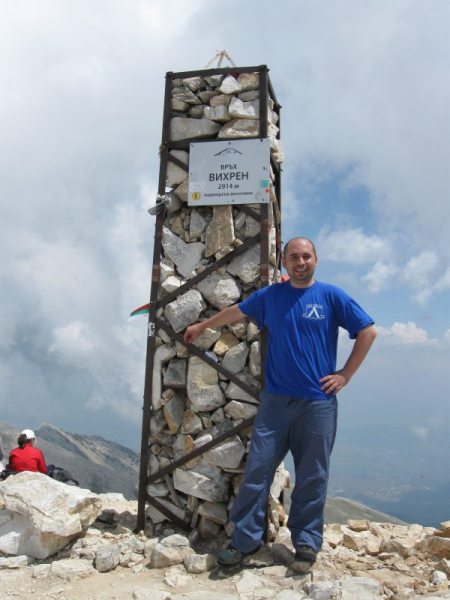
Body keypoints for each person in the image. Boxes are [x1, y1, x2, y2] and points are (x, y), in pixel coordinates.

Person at [184, 237, 376, 571]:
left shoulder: (331, 296)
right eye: (294, 257)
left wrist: (345, 375)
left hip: (317, 404)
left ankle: (306, 544)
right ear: (284, 261)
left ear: (316, 259)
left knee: (313, 476)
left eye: (306, 256)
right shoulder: (271, 296)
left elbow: (368, 331)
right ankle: (243, 542)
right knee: (257, 472)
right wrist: (202, 326)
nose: (301, 262)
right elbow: (237, 311)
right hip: (275, 404)